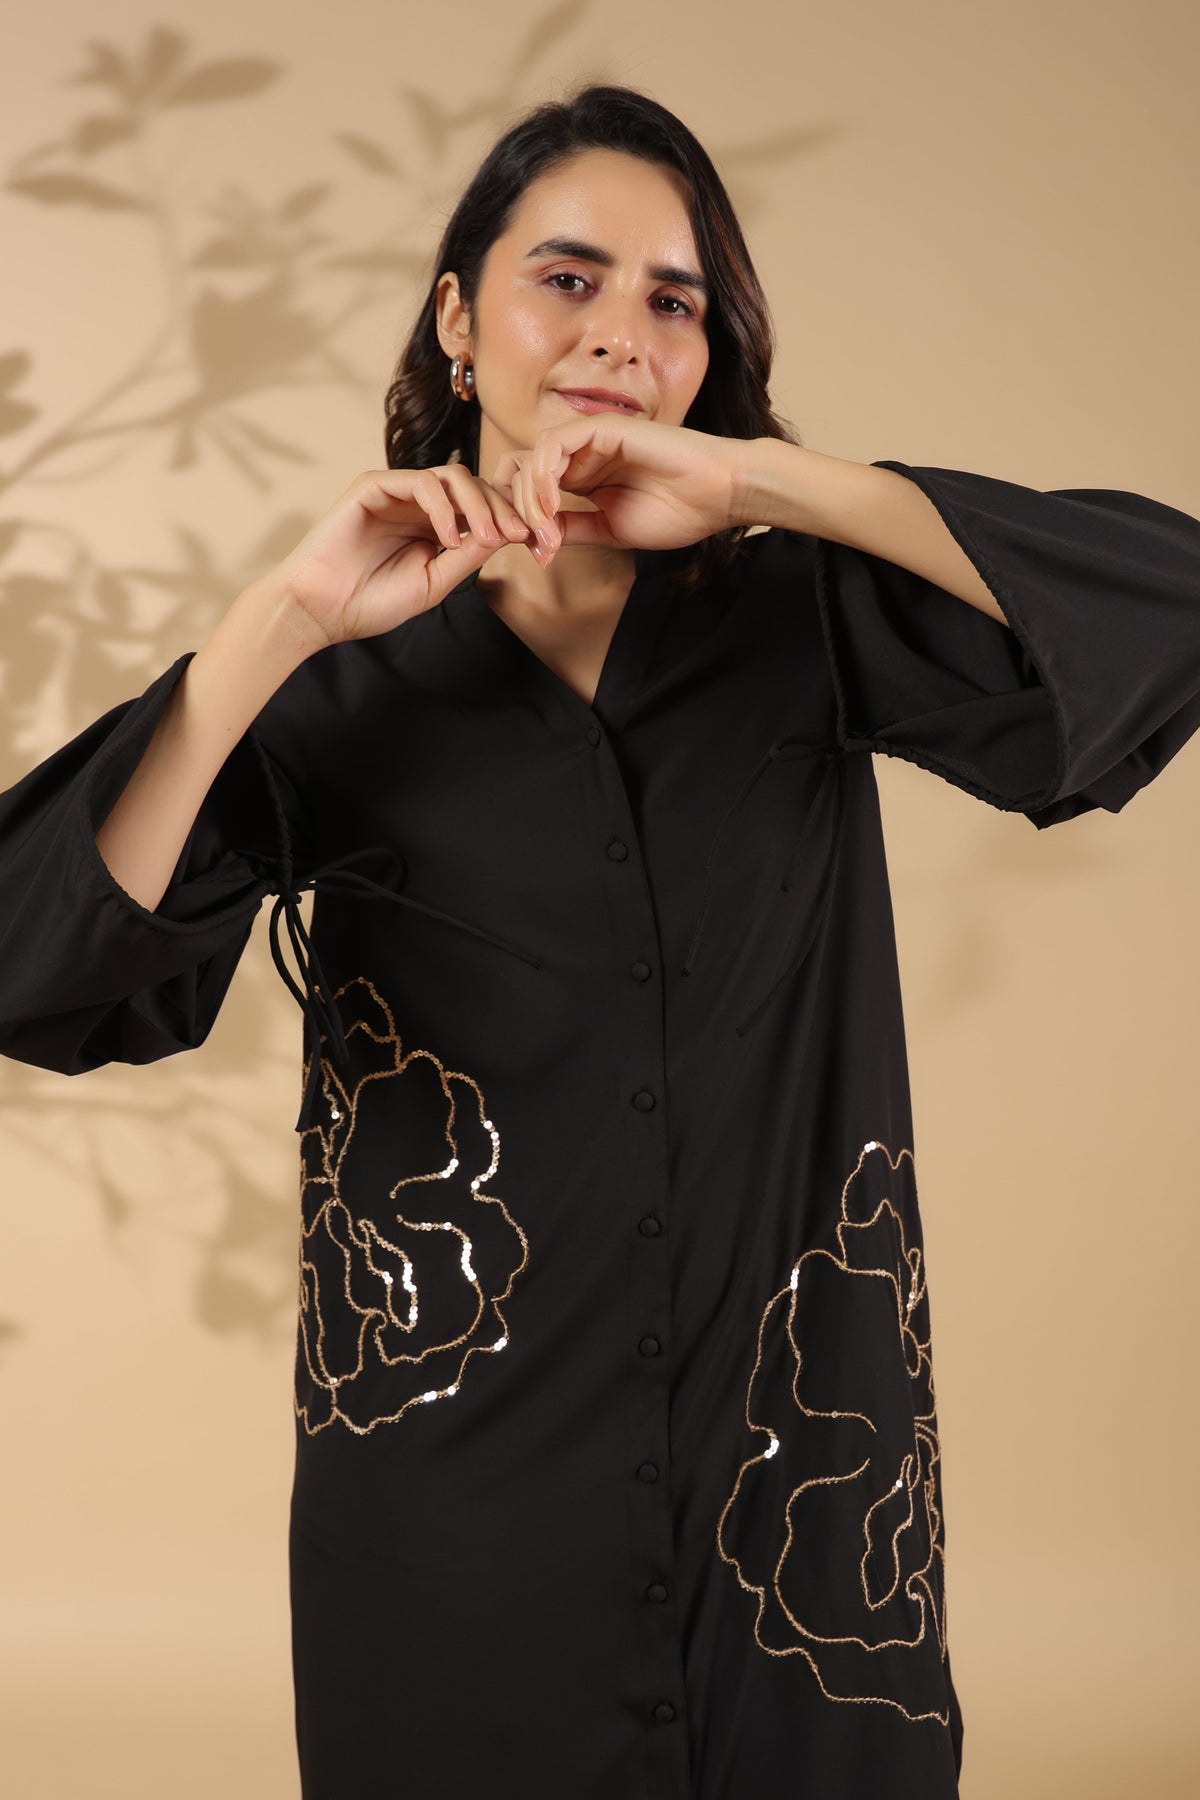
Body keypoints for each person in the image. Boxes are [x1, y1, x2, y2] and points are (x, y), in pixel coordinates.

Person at [1, 79, 1198, 1800]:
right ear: (457, 318)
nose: (621, 332)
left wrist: (764, 484)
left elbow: (1164, 614)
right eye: (566, 279)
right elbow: (37, 959)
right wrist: (276, 624)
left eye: (674, 300)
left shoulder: (803, 614)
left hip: (795, 1547)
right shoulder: (338, 685)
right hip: (450, 1545)